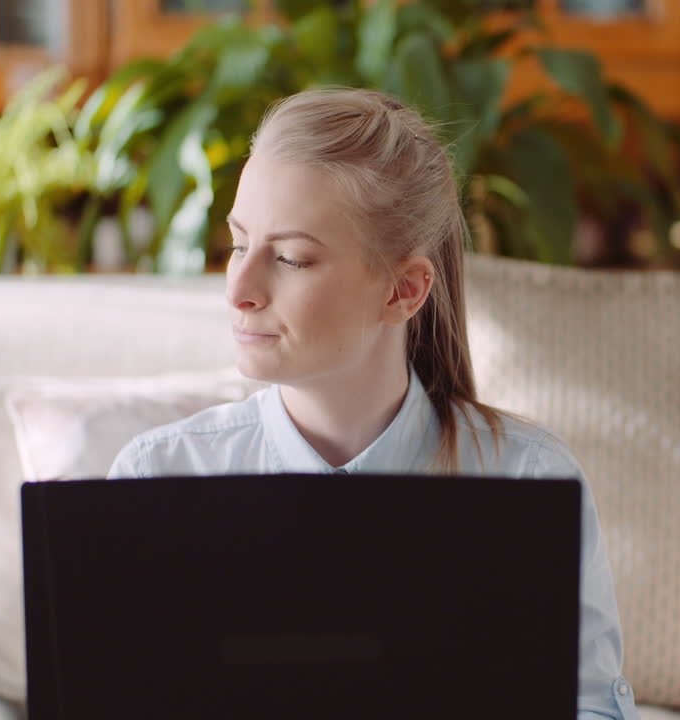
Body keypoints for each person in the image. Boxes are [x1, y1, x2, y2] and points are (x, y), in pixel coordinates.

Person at [108, 87, 638, 720]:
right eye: (239, 244)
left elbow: (589, 707)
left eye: (292, 258)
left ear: (404, 289)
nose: (241, 289)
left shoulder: (528, 481)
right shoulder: (155, 482)